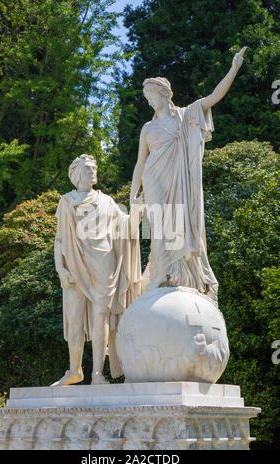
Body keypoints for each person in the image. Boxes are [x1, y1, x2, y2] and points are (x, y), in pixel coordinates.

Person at [130, 47, 247, 304]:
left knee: (181, 222)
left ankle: (181, 277)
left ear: (164, 94)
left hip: (179, 179)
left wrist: (234, 68)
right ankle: (161, 274)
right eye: (146, 96)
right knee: (158, 229)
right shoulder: (147, 128)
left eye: (151, 94)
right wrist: (133, 194)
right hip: (153, 182)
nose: (148, 100)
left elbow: (213, 97)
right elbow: (140, 163)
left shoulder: (185, 116)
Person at [52, 154, 141, 386]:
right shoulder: (67, 202)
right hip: (74, 267)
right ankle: (75, 370)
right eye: (87, 168)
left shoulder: (107, 202)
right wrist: (60, 269)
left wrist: (138, 211)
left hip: (104, 266)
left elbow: (126, 227)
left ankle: (97, 375)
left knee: (101, 317)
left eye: (94, 168)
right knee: (74, 320)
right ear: (76, 174)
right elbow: (60, 240)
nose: (92, 171)